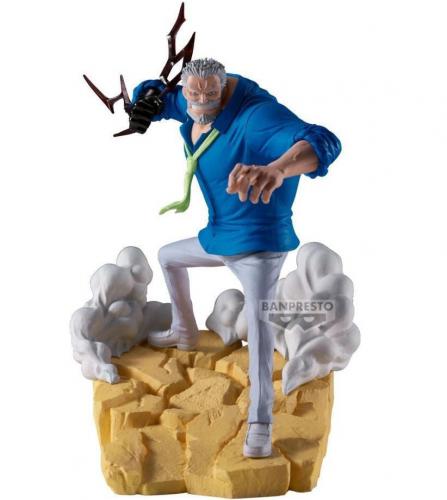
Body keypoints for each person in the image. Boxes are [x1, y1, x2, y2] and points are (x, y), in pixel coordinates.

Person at [129, 58, 341, 458]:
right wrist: (144, 99)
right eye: (193, 94)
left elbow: (322, 141)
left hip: (259, 247)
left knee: (259, 333)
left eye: (210, 94)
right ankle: (184, 330)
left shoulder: (257, 118)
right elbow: (164, 100)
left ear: (224, 90)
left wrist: (278, 169)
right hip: (221, 236)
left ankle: (260, 424)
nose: (200, 102)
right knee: (169, 257)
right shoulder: (196, 103)